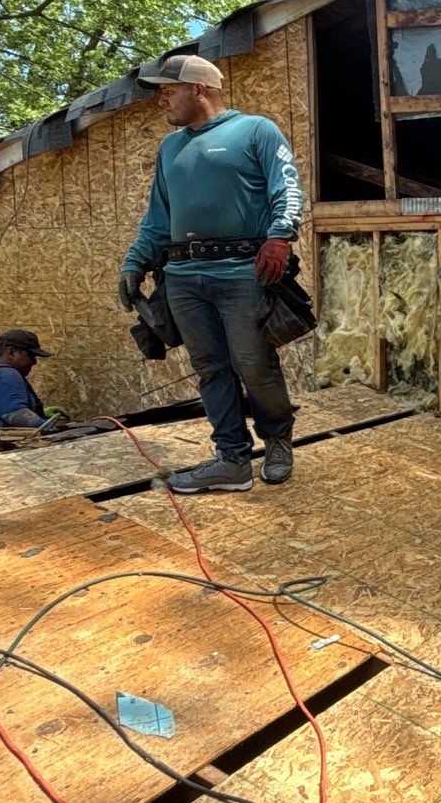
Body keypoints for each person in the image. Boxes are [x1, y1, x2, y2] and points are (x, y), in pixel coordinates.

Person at [119, 53, 305, 493]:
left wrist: (280, 235)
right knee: (210, 369)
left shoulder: (255, 130)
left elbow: (288, 186)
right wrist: (135, 261)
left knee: (255, 364)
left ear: (198, 89)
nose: (161, 101)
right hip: (183, 277)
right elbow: (157, 217)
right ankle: (232, 459)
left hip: (243, 272)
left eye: (168, 92)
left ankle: (277, 440)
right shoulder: (171, 148)